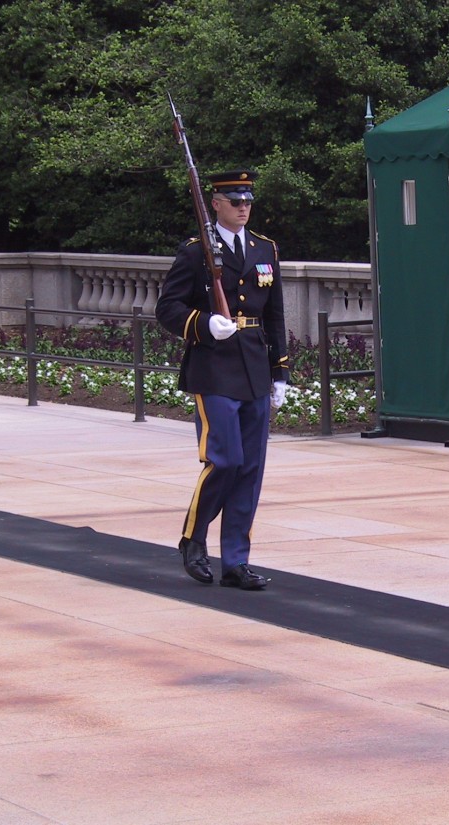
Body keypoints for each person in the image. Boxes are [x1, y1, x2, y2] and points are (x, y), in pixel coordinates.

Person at [156, 169, 289, 591]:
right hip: (213, 368)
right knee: (225, 460)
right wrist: (204, 324)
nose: (243, 207)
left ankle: (235, 561)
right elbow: (167, 309)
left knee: (250, 470)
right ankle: (194, 538)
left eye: (248, 200)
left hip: (254, 368)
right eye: (235, 201)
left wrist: (280, 372)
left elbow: (275, 314)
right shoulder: (196, 251)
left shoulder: (265, 248)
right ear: (215, 204)